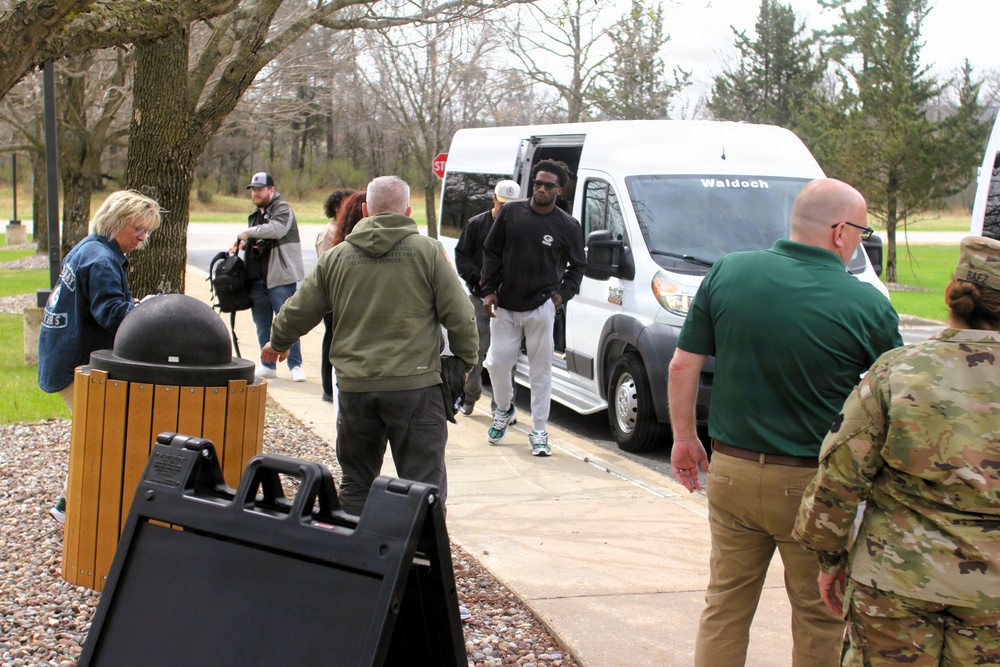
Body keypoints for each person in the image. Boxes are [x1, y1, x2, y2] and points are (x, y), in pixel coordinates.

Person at [667, 177, 904, 667]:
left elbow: (682, 365)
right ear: (840, 231)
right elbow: (900, 398)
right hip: (812, 487)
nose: (860, 240)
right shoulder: (865, 303)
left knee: (725, 607)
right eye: (861, 230)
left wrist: (685, 439)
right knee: (820, 616)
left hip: (730, 472)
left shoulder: (729, 272)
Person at [794, 235, 1000, 666]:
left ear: (952, 295)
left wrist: (830, 558)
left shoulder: (897, 371)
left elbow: (840, 478)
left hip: (895, 578)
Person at [261, 175, 478, 515]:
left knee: (356, 484)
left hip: (356, 388)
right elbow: (462, 315)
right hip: (416, 387)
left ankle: (353, 560)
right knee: (424, 487)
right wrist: (464, 362)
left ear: (365, 210)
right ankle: (421, 564)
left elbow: (298, 309)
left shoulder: (336, 258)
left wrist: (278, 342)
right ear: (408, 211)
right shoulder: (429, 252)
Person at [37, 189, 163, 524]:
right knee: (101, 439)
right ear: (116, 221)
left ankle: (70, 506)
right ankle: (78, 511)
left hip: (61, 356)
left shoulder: (87, 247)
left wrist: (131, 304)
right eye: (138, 228)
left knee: (94, 435)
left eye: (147, 231)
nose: (142, 237)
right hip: (76, 364)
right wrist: (145, 310)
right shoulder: (103, 260)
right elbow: (111, 314)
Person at [480, 159, 587, 456]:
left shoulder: (568, 226)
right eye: (537, 183)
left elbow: (578, 267)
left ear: (559, 190)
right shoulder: (512, 212)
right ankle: (503, 408)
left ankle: (539, 430)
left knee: (541, 371)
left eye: (548, 185)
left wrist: (561, 296)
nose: (540, 188)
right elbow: (491, 251)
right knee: (497, 362)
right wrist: (488, 291)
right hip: (504, 305)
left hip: (541, 307)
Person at [453, 179, 520, 415]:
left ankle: (502, 406)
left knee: (505, 354)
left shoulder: (522, 227)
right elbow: (462, 257)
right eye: (502, 204)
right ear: (494, 199)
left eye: (511, 206)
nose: (506, 210)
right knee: (476, 350)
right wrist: (480, 278)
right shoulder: (477, 224)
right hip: (479, 297)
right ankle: (470, 396)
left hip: (509, 301)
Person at [233, 171, 306, 382]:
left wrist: (249, 233)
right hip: (258, 279)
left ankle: (295, 365)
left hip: (280, 277)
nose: (255, 194)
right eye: (253, 190)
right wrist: (243, 244)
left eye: (259, 189)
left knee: (287, 321)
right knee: (262, 323)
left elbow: (277, 229)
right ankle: (268, 364)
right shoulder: (255, 215)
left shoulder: (283, 209)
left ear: (271, 190)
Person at [316, 187, 359, 402]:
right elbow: (325, 269)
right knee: (331, 344)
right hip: (333, 300)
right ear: (336, 207)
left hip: (347, 301)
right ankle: (328, 388)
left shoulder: (351, 231)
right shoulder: (329, 232)